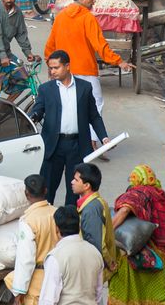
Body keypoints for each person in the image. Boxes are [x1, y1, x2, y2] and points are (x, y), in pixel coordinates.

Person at [46, 0, 131, 151]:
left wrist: (52, 68)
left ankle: (73, 141)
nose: (94, 0)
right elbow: (100, 45)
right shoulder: (87, 18)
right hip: (85, 69)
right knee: (95, 104)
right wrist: (119, 61)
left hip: (65, 71)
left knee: (68, 105)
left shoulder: (61, 17)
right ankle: (92, 140)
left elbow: (50, 45)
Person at [29, 50, 109, 205]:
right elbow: (38, 109)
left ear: (67, 66)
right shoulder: (46, 89)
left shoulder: (84, 88)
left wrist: (104, 137)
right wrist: (33, 116)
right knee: (48, 189)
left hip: (77, 145)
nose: (52, 72)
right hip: (54, 145)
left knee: (74, 191)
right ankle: (48, 224)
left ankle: (69, 225)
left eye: (56, 68)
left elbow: (94, 116)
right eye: (50, 68)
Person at [107, 164, 165, 305]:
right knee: (158, 295)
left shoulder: (139, 192)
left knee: (126, 292)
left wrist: (107, 231)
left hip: (146, 253)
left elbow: (126, 209)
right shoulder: (159, 194)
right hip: (161, 255)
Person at [6, 174, 60, 305]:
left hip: (37, 281)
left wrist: (19, 292)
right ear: (46, 190)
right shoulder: (57, 213)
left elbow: (26, 259)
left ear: (26, 193)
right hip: (58, 277)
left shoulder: (28, 221)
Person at [39, 206, 105, 305]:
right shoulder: (95, 253)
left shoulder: (56, 257)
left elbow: (48, 300)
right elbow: (98, 295)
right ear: (79, 227)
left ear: (57, 229)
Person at [72, 162, 117, 296]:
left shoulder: (91, 209)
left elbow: (97, 242)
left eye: (76, 180)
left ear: (87, 186)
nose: (72, 182)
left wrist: (110, 263)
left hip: (91, 269)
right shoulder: (96, 201)